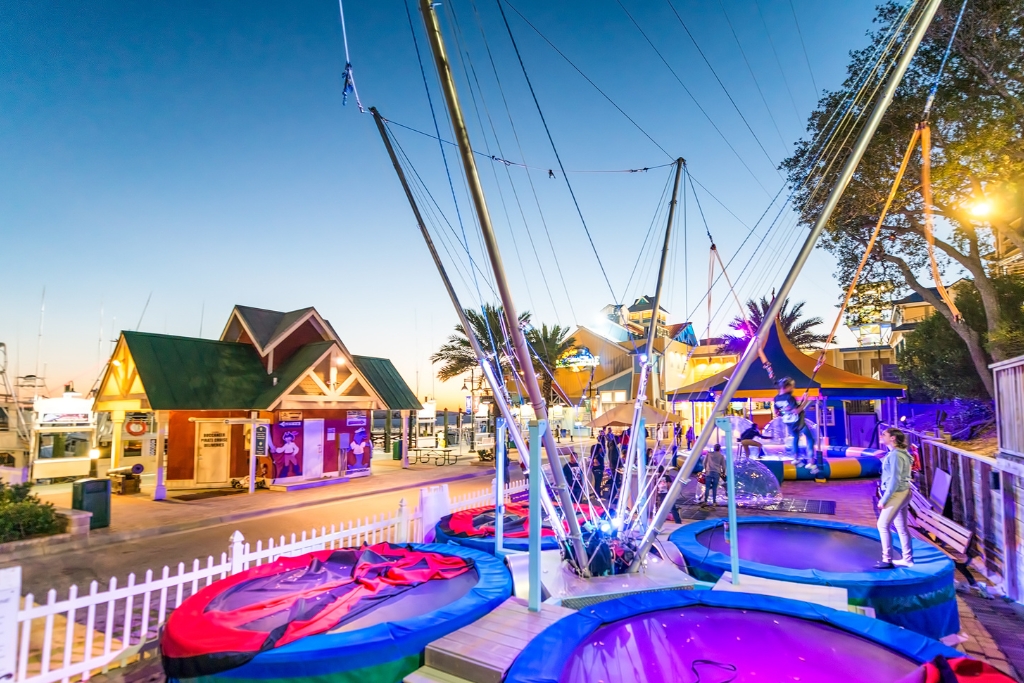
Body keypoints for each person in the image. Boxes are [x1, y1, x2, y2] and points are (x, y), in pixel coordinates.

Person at [876, 427, 915, 569]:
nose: (882, 436)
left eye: (884, 434)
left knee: (882, 525)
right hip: (903, 492)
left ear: (892, 438)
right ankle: (907, 559)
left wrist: (884, 499)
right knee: (901, 527)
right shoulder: (898, 453)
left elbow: (895, 479)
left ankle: (887, 560)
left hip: (897, 493)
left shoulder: (896, 455)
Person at [773, 377, 818, 474]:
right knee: (810, 439)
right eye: (792, 387)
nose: (793, 389)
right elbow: (797, 411)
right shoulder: (789, 398)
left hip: (788, 421)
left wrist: (786, 411)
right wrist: (806, 400)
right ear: (787, 387)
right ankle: (811, 462)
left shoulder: (776, 398)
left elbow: (776, 412)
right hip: (797, 420)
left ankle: (795, 458)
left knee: (796, 437)